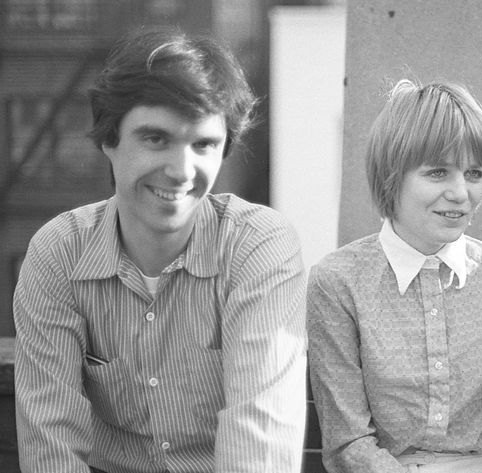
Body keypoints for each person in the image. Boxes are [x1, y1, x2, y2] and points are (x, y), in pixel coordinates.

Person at [14, 27, 307, 473]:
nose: (181, 170)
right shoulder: (59, 253)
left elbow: (259, 441)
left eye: (203, 144)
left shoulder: (257, 246)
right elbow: (51, 444)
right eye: (156, 139)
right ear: (109, 140)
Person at [307, 79, 482, 473]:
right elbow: (348, 442)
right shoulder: (337, 282)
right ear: (391, 175)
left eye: (474, 173)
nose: (461, 193)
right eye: (438, 172)